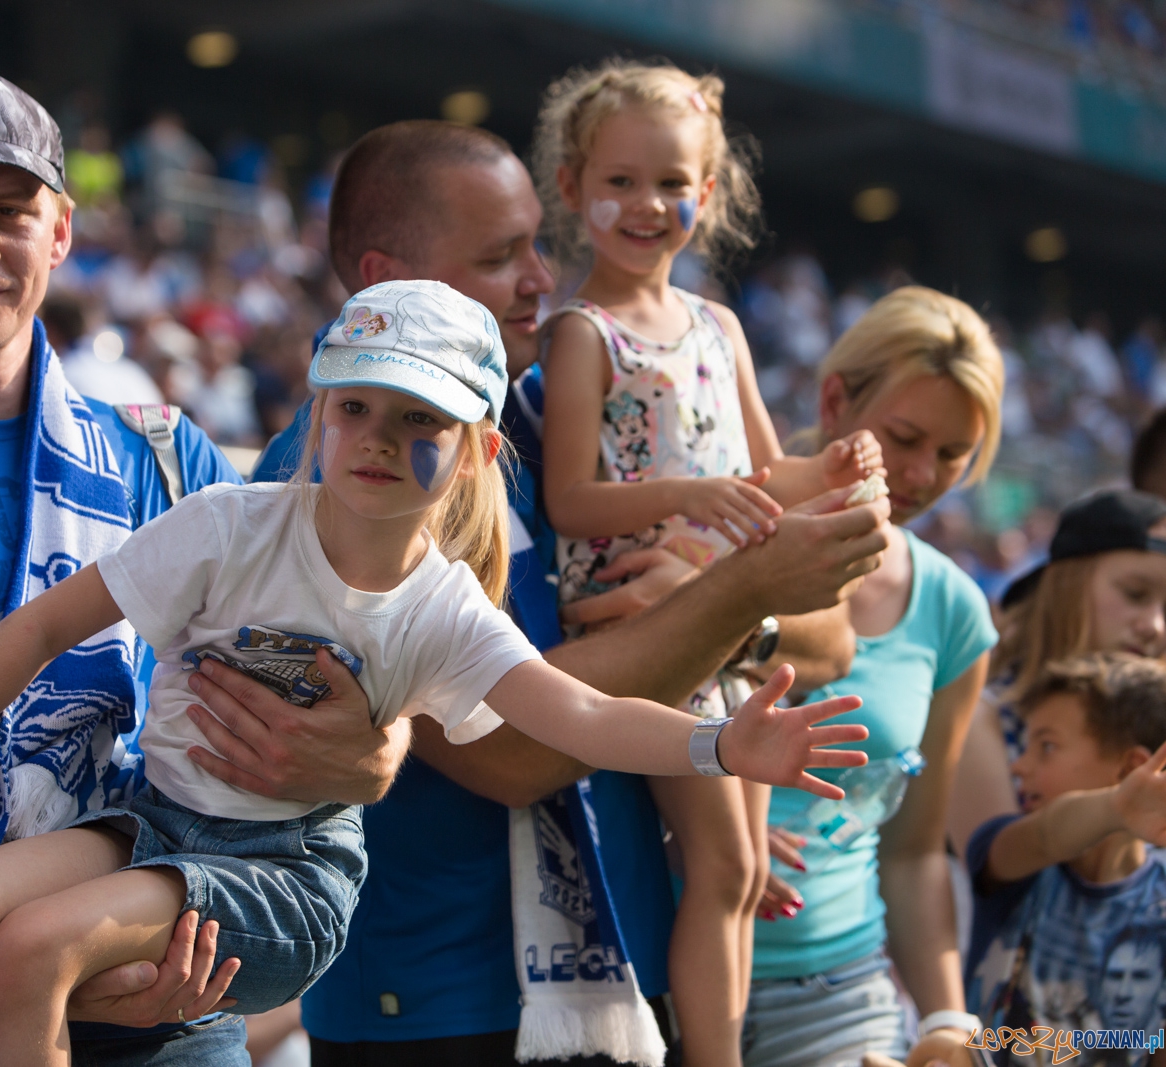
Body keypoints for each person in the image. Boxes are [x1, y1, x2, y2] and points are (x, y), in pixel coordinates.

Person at [0, 279, 872, 1067]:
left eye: (419, 419)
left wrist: (721, 743)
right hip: (160, 821)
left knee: (29, 947)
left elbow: (584, 715)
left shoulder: (444, 606)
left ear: (472, 452)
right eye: (356, 405)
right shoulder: (229, 523)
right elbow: (39, 626)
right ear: (318, 412)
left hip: (290, 874)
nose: (377, 436)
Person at [0, 68, 404, 1067]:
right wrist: (51, 975)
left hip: (170, 998)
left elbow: (292, 702)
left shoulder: (164, 455)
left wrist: (366, 751)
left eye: (9, 212)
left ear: (59, 231)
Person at [246, 121, 888, 1067]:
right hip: (434, 1007)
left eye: (537, 245)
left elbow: (829, 631)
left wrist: (737, 618)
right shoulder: (333, 471)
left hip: (629, 975)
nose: (543, 279)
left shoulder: (562, 411)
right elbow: (506, 751)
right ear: (385, 278)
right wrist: (729, 597)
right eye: (502, 256)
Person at [532, 60, 884, 1065]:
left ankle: (721, 1042)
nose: (648, 204)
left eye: (673, 182)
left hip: (733, 616)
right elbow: (571, 500)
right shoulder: (579, 333)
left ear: (709, 193)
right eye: (622, 180)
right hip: (649, 628)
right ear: (572, 187)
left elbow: (764, 468)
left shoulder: (718, 326)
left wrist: (835, 463)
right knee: (723, 861)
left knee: (734, 879)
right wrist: (690, 495)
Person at [748, 287, 1005, 1067]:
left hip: (842, 999)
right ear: (834, 398)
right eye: (904, 436)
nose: (923, 472)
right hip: (653, 971)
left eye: (954, 452)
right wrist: (712, 833)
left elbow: (916, 851)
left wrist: (948, 1023)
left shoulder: (955, 609)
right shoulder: (716, 527)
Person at [965, 653, 1166, 1063]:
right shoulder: (1014, 854)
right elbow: (1049, 834)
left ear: (1130, 769)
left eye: (1047, 746)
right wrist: (1113, 808)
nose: (1020, 766)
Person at [949, 490, 1166, 854]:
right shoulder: (984, 718)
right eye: (1134, 593)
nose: (1155, 626)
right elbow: (994, 870)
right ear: (1067, 586)